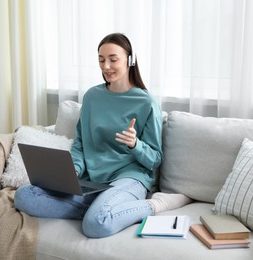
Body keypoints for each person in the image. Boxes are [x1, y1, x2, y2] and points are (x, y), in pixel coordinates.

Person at [14, 33, 191, 238]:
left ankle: (156, 204)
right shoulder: (92, 97)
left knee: (96, 225)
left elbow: (155, 160)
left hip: (129, 179)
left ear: (130, 60)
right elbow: (80, 142)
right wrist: (75, 170)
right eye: (101, 60)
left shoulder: (146, 102)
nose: (106, 66)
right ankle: (101, 210)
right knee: (24, 196)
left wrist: (136, 145)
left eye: (113, 59)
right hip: (93, 182)